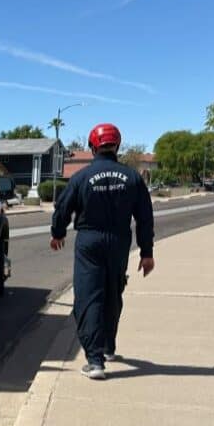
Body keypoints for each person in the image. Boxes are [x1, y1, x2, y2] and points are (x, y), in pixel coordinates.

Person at [50, 123, 155, 380]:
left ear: (93, 146)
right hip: (119, 241)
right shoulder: (132, 178)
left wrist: (58, 233)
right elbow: (145, 217)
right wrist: (146, 252)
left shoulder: (81, 177)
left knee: (89, 297)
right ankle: (108, 346)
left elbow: (63, 207)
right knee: (113, 291)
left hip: (89, 241)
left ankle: (95, 360)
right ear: (117, 145)